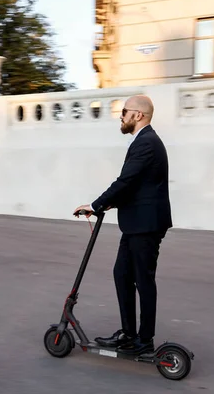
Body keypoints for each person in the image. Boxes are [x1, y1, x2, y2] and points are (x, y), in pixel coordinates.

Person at [73, 94, 172, 356]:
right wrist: (109, 204)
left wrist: (95, 205)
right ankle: (129, 335)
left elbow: (125, 181)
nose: (122, 115)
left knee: (143, 281)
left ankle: (144, 340)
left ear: (138, 115)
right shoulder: (144, 141)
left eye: (125, 111)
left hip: (145, 225)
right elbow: (138, 184)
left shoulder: (146, 143)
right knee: (123, 275)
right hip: (137, 223)